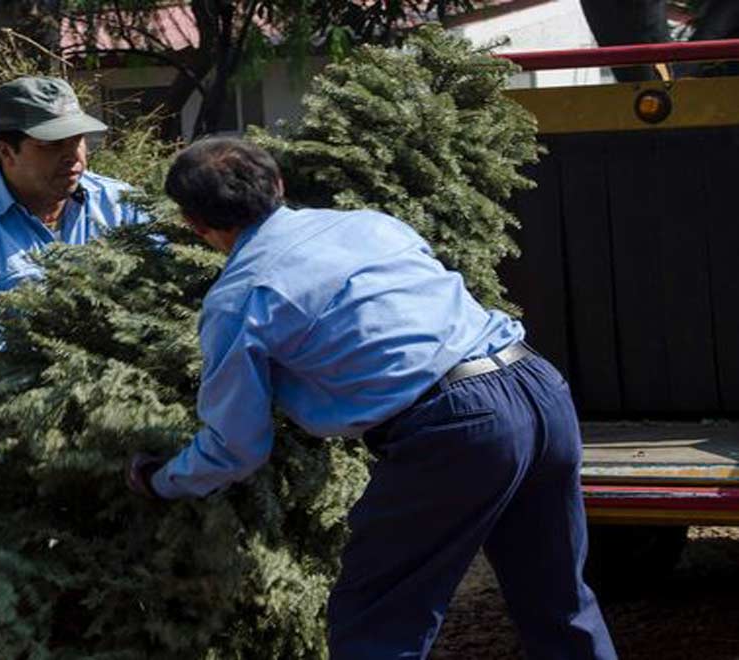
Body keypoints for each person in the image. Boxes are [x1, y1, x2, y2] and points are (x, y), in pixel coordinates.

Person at [125, 137, 617, 659]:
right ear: (279, 184)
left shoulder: (240, 298)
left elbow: (237, 447)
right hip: (536, 385)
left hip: (457, 428)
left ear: (194, 224)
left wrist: (162, 479)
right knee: (558, 602)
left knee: (377, 624)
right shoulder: (369, 224)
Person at [0, 76, 148, 396]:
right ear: (6, 152)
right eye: (52, 145)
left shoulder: (122, 205)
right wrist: (64, 369)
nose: (73, 156)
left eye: (77, 140)